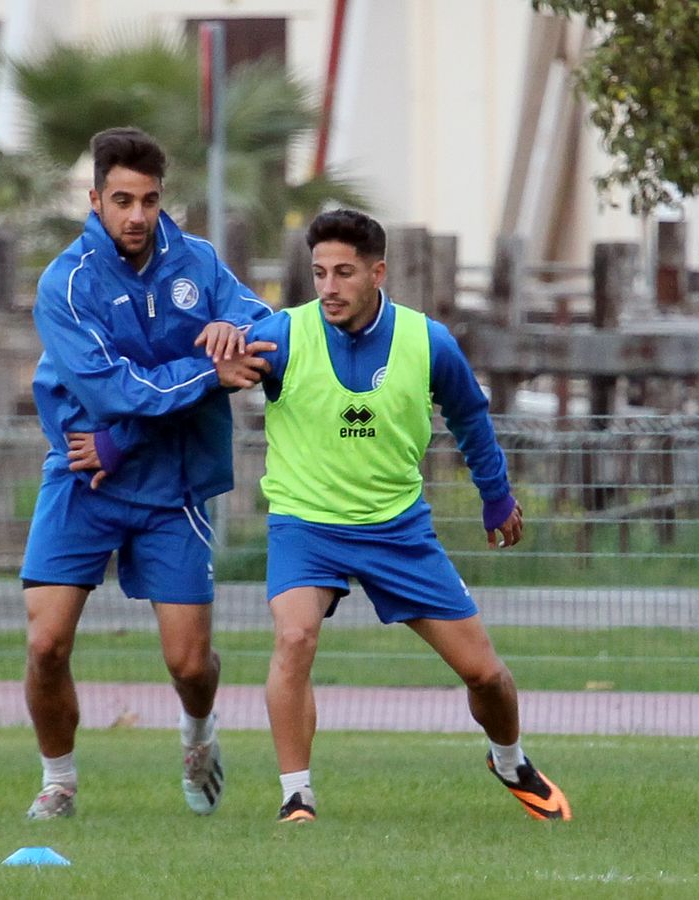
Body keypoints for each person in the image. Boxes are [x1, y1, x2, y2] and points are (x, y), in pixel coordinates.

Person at [240, 208, 571, 823]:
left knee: (487, 677)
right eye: (319, 274)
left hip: (398, 531)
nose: (330, 287)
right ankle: (296, 797)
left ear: (378, 272)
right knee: (294, 637)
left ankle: (509, 760)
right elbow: (211, 374)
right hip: (305, 526)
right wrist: (214, 367)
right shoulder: (282, 335)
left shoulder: (428, 341)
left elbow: (471, 417)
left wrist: (496, 498)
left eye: (344, 272)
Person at [20, 126, 275, 820]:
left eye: (151, 201)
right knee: (45, 644)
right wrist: (207, 371)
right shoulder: (64, 284)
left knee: (190, 664)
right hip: (82, 477)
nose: (137, 216)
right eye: (123, 200)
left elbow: (264, 328)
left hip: (172, 487)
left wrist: (237, 332)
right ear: (96, 198)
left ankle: (198, 734)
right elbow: (110, 391)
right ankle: (59, 781)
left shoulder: (197, 262)